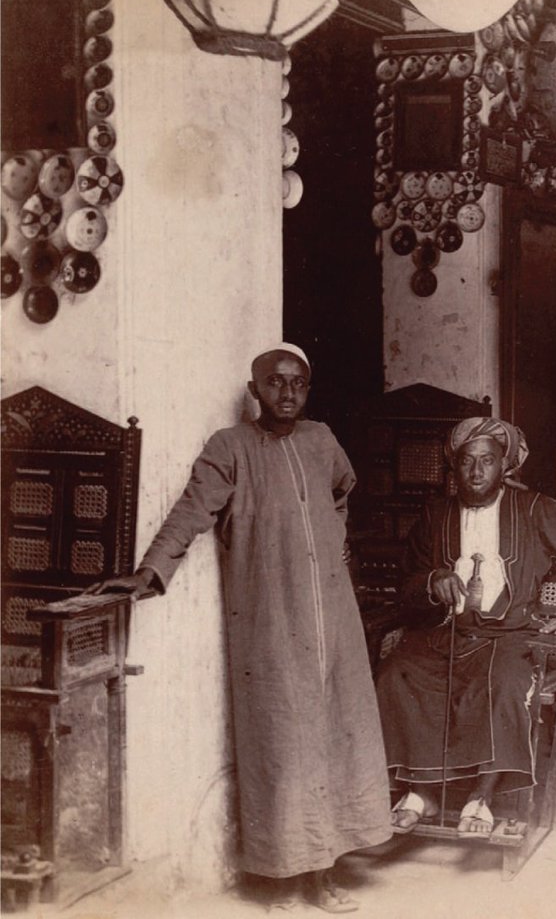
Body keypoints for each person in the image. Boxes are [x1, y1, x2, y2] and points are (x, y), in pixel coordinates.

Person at [92, 344, 391, 913]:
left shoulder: (322, 439)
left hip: (333, 617)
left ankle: (324, 877)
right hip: (271, 619)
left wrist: (334, 544)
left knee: (333, 739)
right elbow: (191, 511)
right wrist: (148, 572)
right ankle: (282, 879)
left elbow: (342, 490)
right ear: (254, 390)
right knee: (282, 745)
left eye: (298, 383)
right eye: (275, 383)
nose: (287, 393)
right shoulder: (229, 448)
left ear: (308, 389)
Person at [375, 418, 556, 835]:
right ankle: (420, 792)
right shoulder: (436, 514)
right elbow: (407, 579)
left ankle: (482, 795)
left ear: (505, 466)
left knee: (502, 683)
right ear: (454, 467)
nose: (477, 471)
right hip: (447, 632)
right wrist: (432, 581)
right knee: (398, 675)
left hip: (512, 634)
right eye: (467, 461)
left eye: (487, 461)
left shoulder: (534, 508)